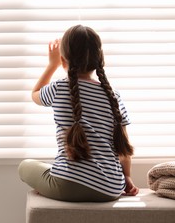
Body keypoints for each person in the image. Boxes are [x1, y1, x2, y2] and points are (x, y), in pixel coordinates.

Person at [18, 25, 139, 202]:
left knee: (25, 166)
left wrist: (52, 65)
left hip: (69, 185)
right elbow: (123, 145)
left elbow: (35, 94)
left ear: (63, 60)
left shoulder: (58, 88)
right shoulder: (114, 95)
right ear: (100, 60)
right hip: (111, 188)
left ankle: (61, 178)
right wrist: (126, 178)